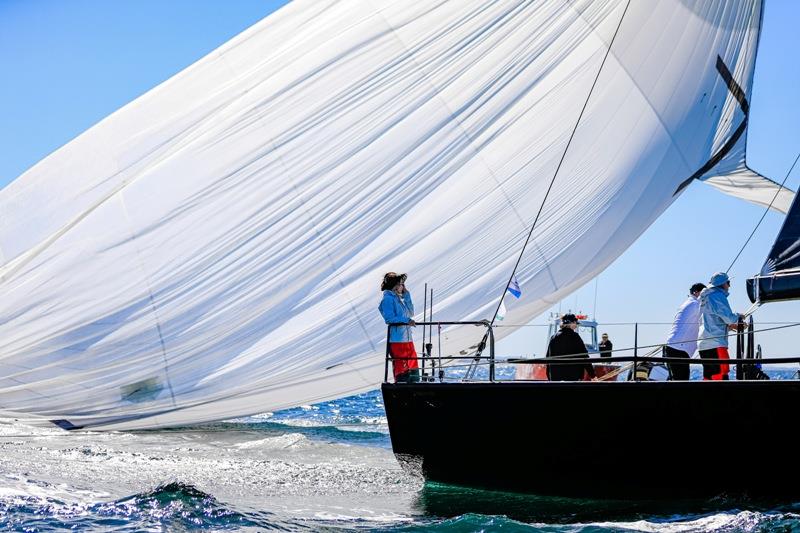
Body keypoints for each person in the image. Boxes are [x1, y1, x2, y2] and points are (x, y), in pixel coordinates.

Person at [698, 272, 745, 381]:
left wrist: (730, 327)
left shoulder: (705, 297)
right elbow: (728, 318)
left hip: (703, 344)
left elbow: (712, 321)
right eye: (728, 282)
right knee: (721, 374)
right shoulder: (717, 296)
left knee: (708, 376)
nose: (729, 286)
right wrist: (739, 316)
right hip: (716, 343)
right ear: (722, 284)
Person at [378, 272, 418, 383]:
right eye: (401, 284)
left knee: (412, 363)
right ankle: (402, 385)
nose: (403, 287)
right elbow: (389, 319)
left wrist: (407, 296)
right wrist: (406, 321)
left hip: (407, 339)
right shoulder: (388, 299)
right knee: (402, 366)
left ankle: (415, 384)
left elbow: (410, 313)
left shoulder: (398, 299)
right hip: (397, 340)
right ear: (395, 285)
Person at [663, 283, 705, 380]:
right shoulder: (696, 305)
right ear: (696, 292)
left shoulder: (688, 303)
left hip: (673, 347)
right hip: (679, 349)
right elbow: (709, 317)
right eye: (703, 293)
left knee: (677, 381)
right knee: (681, 382)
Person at [546, 314, 596, 381]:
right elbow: (585, 357)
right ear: (572, 323)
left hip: (556, 378)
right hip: (572, 378)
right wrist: (592, 375)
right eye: (576, 323)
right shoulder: (575, 337)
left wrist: (549, 377)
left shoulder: (554, 337)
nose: (576, 325)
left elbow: (548, 358)